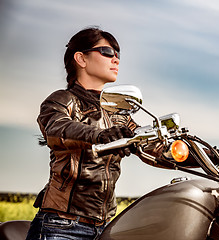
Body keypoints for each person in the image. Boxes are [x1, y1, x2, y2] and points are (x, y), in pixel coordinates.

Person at [26, 27, 138, 240]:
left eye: (118, 54)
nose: (116, 59)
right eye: (107, 51)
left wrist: (214, 156)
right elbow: (57, 128)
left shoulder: (117, 113)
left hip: (106, 227)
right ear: (81, 58)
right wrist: (100, 135)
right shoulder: (62, 100)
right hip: (62, 226)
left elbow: (154, 146)